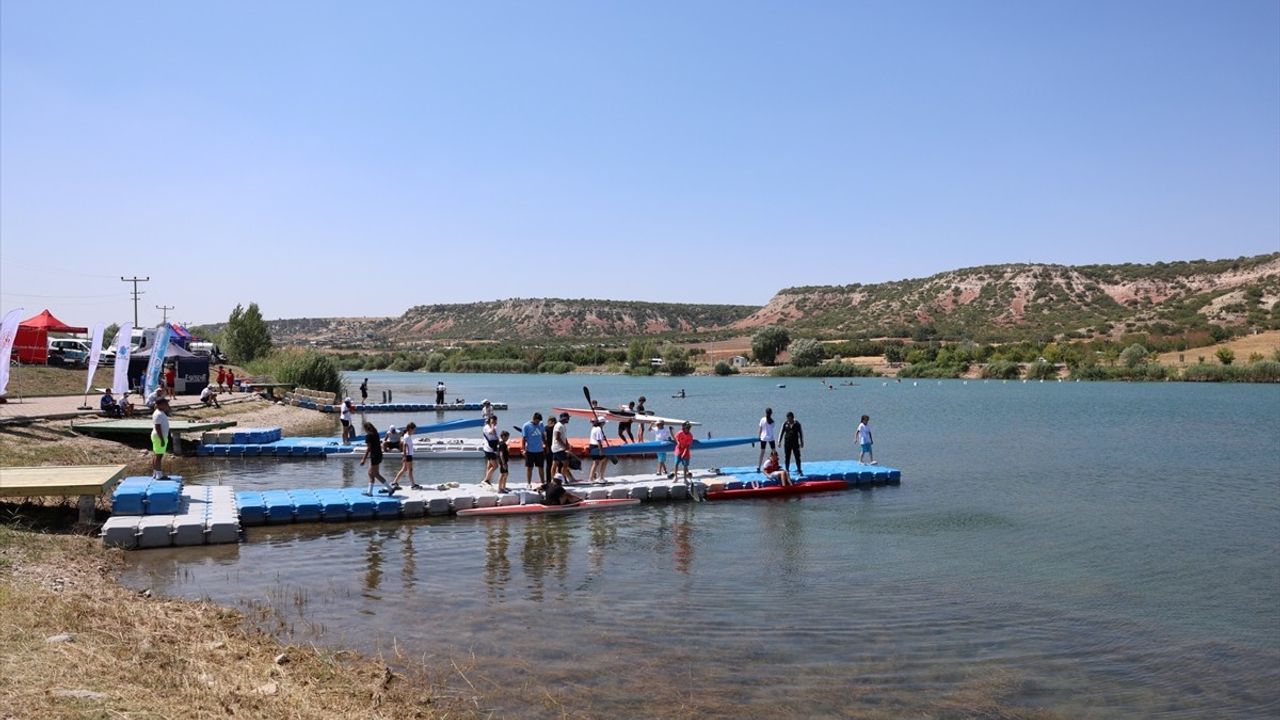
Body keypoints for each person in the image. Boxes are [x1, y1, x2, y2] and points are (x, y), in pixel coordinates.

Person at [359, 421, 395, 495]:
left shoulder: (368, 436)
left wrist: (363, 459)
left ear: (366, 429)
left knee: (375, 474)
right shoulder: (376, 434)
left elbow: (369, 448)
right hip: (379, 454)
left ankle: (390, 489)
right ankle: (370, 492)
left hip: (374, 456)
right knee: (370, 473)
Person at [392, 422, 424, 490]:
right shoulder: (406, 436)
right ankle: (413, 485)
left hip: (408, 455)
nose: (414, 431)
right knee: (410, 470)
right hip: (408, 455)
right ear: (410, 429)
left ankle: (395, 482)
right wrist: (404, 456)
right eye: (413, 430)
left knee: (404, 469)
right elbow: (404, 446)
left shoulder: (407, 436)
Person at [522, 412, 546, 489]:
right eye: (537, 421)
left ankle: (543, 482)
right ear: (534, 419)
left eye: (539, 421)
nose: (538, 423)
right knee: (529, 467)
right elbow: (524, 438)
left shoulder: (541, 424)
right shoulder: (526, 426)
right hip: (530, 450)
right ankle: (528, 483)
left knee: (541, 467)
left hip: (539, 450)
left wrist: (545, 444)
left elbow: (543, 435)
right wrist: (523, 449)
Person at [550, 412, 576, 483]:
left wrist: (568, 444)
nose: (568, 419)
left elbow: (563, 437)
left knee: (555, 463)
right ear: (564, 418)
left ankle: (553, 479)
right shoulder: (559, 426)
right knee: (566, 463)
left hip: (557, 448)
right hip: (558, 448)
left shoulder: (562, 425)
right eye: (568, 418)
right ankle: (563, 478)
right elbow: (557, 437)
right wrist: (565, 446)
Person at [151, 396, 171, 479]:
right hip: (159, 437)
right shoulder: (158, 414)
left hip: (159, 436)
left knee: (156, 455)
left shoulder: (160, 412)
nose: (167, 405)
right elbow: (157, 427)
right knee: (159, 456)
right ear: (160, 405)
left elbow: (169, 409)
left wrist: (167, 406)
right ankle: (159, 475)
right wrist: (162, 439)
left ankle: (155, 473)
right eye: (165, 404)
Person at [481, 415, 500, 487]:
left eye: (495, 421)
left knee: (489, 466)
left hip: (493, 448)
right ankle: (486, 480)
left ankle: (487, 480)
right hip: (488, 448)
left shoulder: (495, 427)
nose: (495, 423)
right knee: (495, 466)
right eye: (493, 421)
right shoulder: (486, 427)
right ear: (490, 421)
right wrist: (492, 425)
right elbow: (491, 432)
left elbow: (497, 436)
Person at [588, 419, 608, 483]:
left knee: (596, 462)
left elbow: (598, 437)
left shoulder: (594, 428)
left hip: (592, 446)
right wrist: (601, 450)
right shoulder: (599, 429)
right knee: (604, 460)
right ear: (602, 423)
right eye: (604, 422)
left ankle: (591, 478)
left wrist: (603, 437)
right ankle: (600, 477)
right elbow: (599, 440)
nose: (605, 424)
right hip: (596, 446)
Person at [757, 407, 776, 471]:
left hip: (763, 437)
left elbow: (760, 429)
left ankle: (759, 467)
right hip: (771, 438)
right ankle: (775, 465)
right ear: (771, 413)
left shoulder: (762, 419)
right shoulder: (772, 421)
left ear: (766, 413)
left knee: (762, 452)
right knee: (774, 451)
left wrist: (759, 437)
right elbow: (772, 428)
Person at [543, 412, 558, 485]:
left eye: (554, 422)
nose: (553, 423)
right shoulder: (546, 428)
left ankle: (555, 479)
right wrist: (546, 447)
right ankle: (548, 480)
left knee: (556, 464)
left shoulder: (556, 428)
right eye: (551, 421)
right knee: (549, 465)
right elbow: (545, 439)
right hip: (548, 448)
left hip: (555, 447)